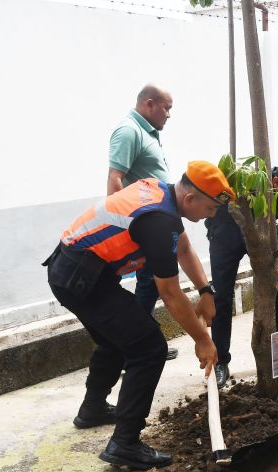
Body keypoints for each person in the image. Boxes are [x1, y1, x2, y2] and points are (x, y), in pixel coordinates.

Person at [43, 161, 233, 469]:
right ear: (190, 199)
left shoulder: (161, 192)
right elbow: (169, 293)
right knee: (149, 348)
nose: (209, 217)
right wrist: (202, 341)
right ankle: (125, 444)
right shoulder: (159, 219)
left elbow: (183, 250)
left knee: (118, 338)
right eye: (210, 209)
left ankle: (92, 409)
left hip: (74, 270)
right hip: (81, 278)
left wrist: (206, 291)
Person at [206, 155, 278, 387]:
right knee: (222, 297)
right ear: (276, 181)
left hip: (265, 238)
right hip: (227, 234)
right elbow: (253, 244)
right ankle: (220, 362)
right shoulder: (252, 189)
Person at [107, 84, 179, 360]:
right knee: (149, 286)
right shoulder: (129, 131)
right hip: (143, 226)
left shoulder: (147, 132)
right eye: (166, 108)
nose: (169, 115)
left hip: (155, 224)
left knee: (149, 286)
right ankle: (137, 348)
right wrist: (122, 228)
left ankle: (144, 343)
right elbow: (115, 180)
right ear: (149, 104)